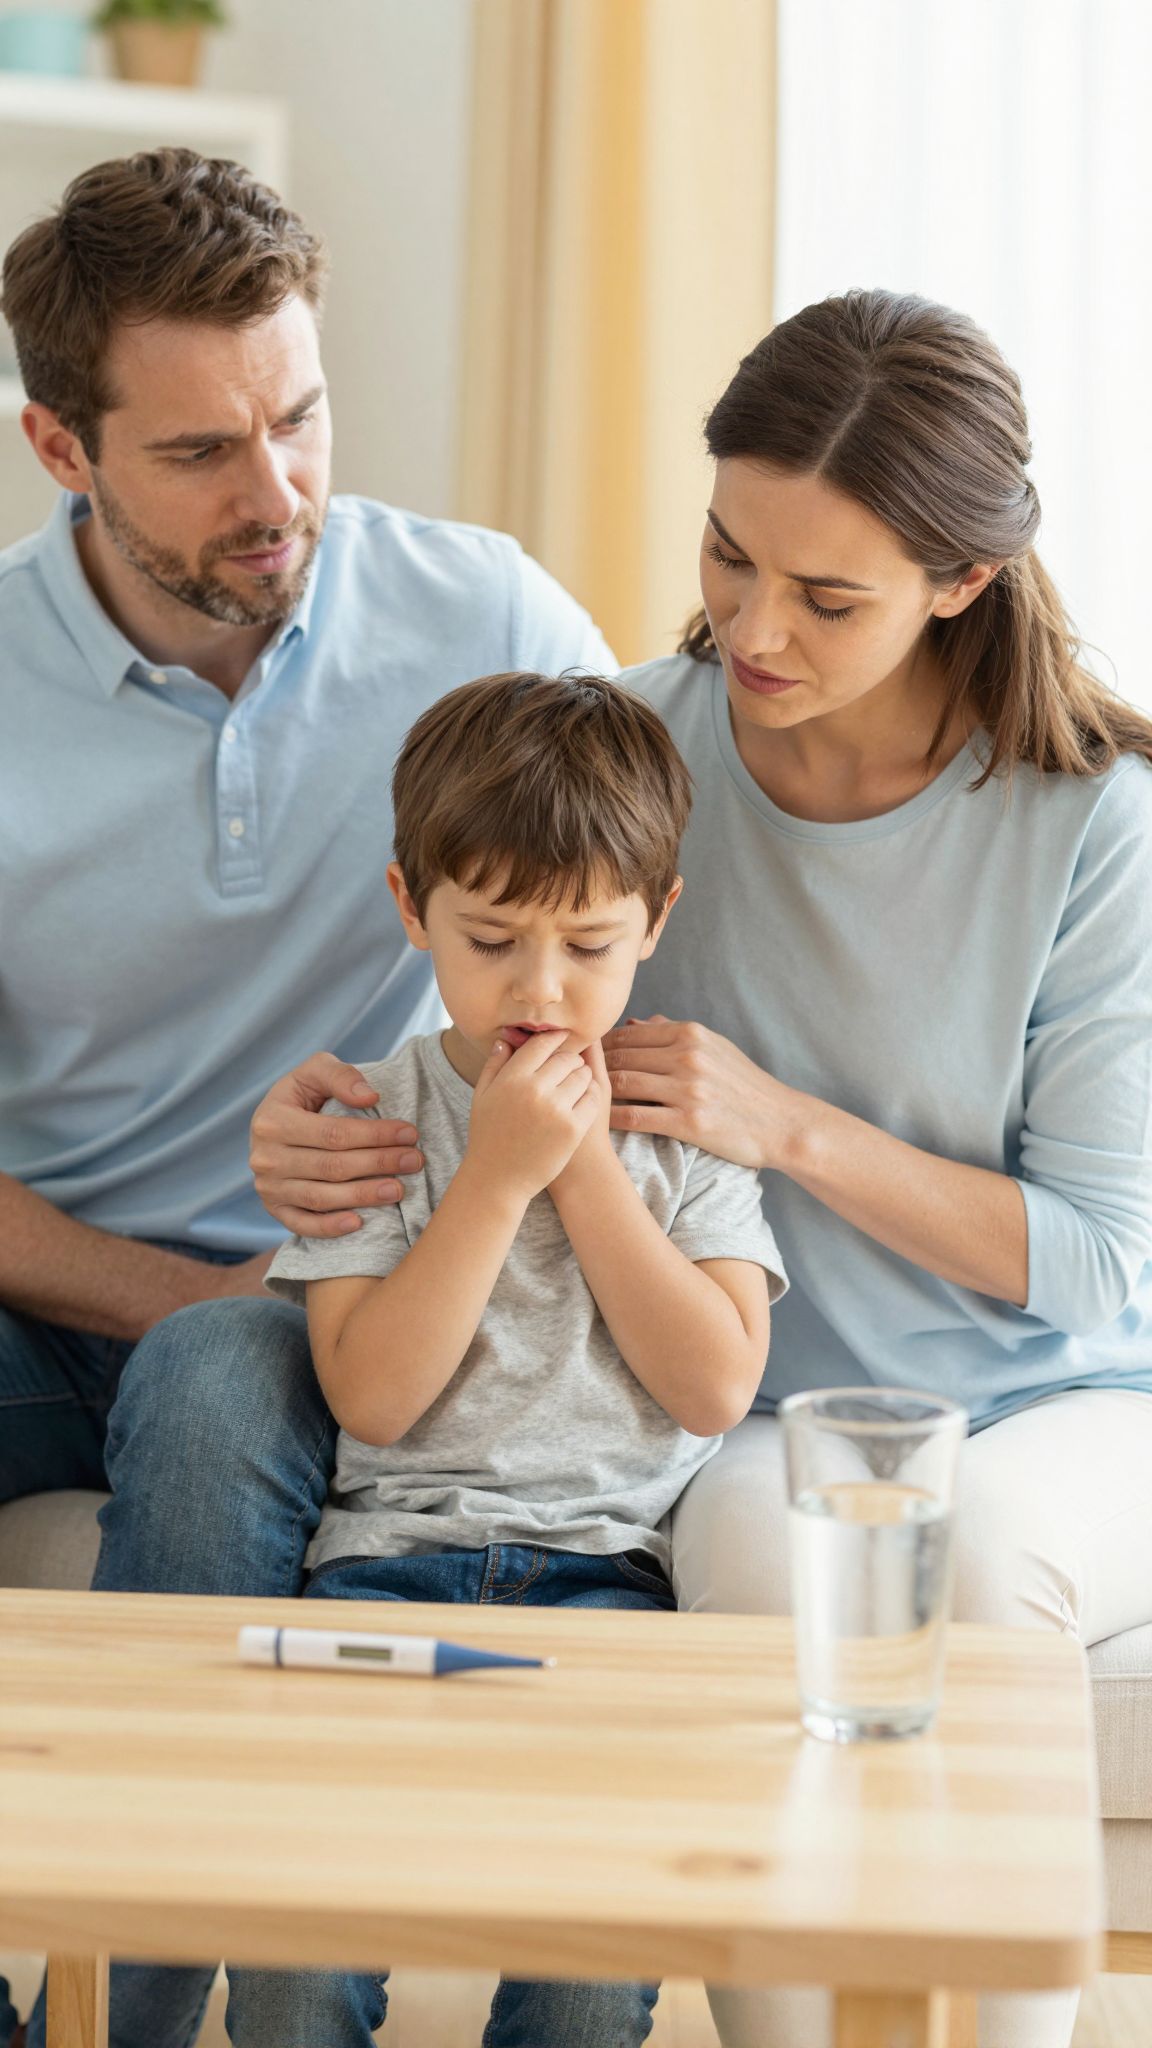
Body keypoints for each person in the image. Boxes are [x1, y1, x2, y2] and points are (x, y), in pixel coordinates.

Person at [224, 292, 1152, 2048]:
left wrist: (782, 1122)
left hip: (1051, 1394)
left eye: (826, 597)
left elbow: (1102, 1263)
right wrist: (302, 1129)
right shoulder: (643, 745)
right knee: (741, 1564)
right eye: (728, 558)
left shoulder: (1089, 818)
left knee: (980, 1552)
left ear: (961, 582)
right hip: (754, 1405)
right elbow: (465, 992)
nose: (751, 627)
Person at [0, 145, 610, 1517]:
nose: (274, 495)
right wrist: (183, 1292)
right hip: (46, 1295)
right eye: (200, 451)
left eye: (299, 419)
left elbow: (663, 869)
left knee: (217, 1390)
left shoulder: (486, 620)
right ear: (61, 447)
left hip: (335, 1284)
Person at [191, 670, 785, 2047]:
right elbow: (377, 1399)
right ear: (413, 912)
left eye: (587, 944)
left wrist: (582, 1173)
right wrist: (493, 1183)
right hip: (380, 1573)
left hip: (606, 1592)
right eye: (492, 939)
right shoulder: (376, 1119)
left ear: (657, 922)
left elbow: (711, 1386)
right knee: (290, 1937)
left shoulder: (680, 1124)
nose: (538, 990)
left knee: (591, 1949)